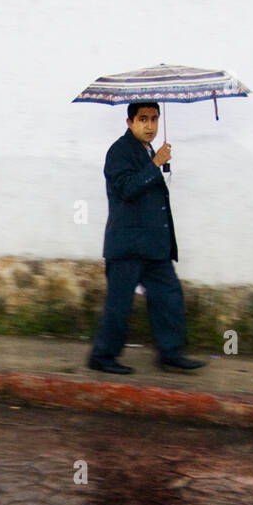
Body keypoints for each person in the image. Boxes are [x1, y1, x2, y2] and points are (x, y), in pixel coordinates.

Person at [88, 102, 205, 375]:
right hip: (127, 245)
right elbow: (127, 189)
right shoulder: (119, 152)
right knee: (120, 303)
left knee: (169, 296)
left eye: (154, 119)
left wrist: (156, 163)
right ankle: (102, 356)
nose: (150, 126)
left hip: (154, 246)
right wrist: (155, 164)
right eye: (143, 119)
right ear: (129, 122)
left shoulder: (149, 150)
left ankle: (170, 352)